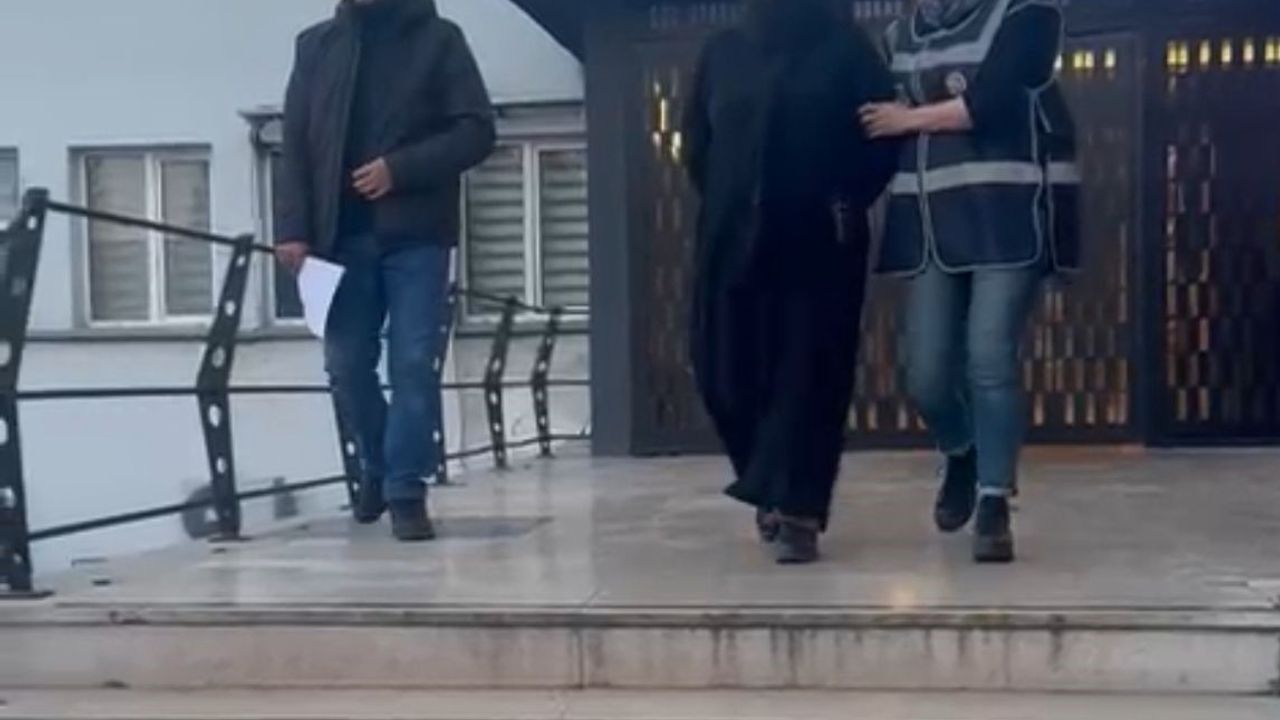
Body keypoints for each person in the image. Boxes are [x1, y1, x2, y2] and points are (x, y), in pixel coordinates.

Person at [860, 0, 1078, 563]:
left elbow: (992, 103)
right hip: (931, 224)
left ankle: (993, 500)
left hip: (1008, 218)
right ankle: (961, 451)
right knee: (927, 375)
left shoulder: (1028, 15)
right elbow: (869, 114)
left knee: (988, 358)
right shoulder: (899, 36)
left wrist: (908, 119)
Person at [683, 0, 899, 564]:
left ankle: (799, 508)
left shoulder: (847, 49)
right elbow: (696, 143)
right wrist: (733, 201)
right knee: (723, 372)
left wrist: (843, 198)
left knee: (809, 374)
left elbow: (883, 134)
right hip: (731, 235)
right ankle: (767, 482)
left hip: (819, 237)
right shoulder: (723, 51)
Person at [274, 0, 495, 541]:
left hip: (417, 236)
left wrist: (401, 169)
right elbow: (294, 144)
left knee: (413, 363)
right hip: (338, 238)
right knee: (345, 367)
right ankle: (378, 463)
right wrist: (292, 228)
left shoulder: (440, 39)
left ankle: (405, 490)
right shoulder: (315, 47)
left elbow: (476, 131)